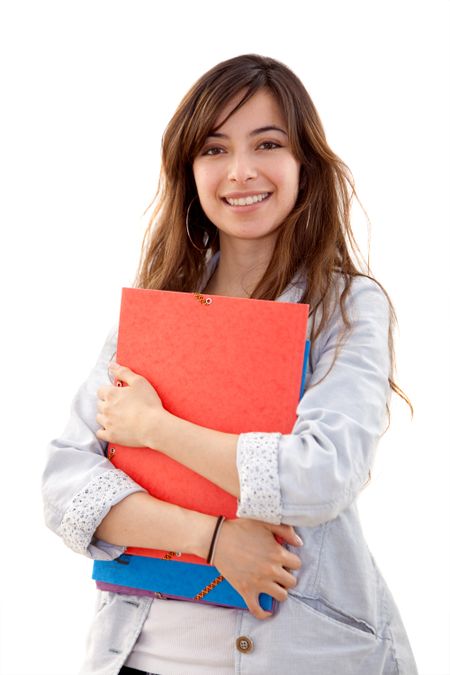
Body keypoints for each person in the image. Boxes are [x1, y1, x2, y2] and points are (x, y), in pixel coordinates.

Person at [42, 54, 418, 675]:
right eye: (214, 150)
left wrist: (155, 428)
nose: (241, 172)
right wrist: (213, 539)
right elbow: (64, 487)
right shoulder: (155, 311)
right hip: (141, 655)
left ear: (304, 164)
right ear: (189, 172)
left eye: (266, 144)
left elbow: (319, 474)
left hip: (304, 654)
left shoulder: (347, 305)